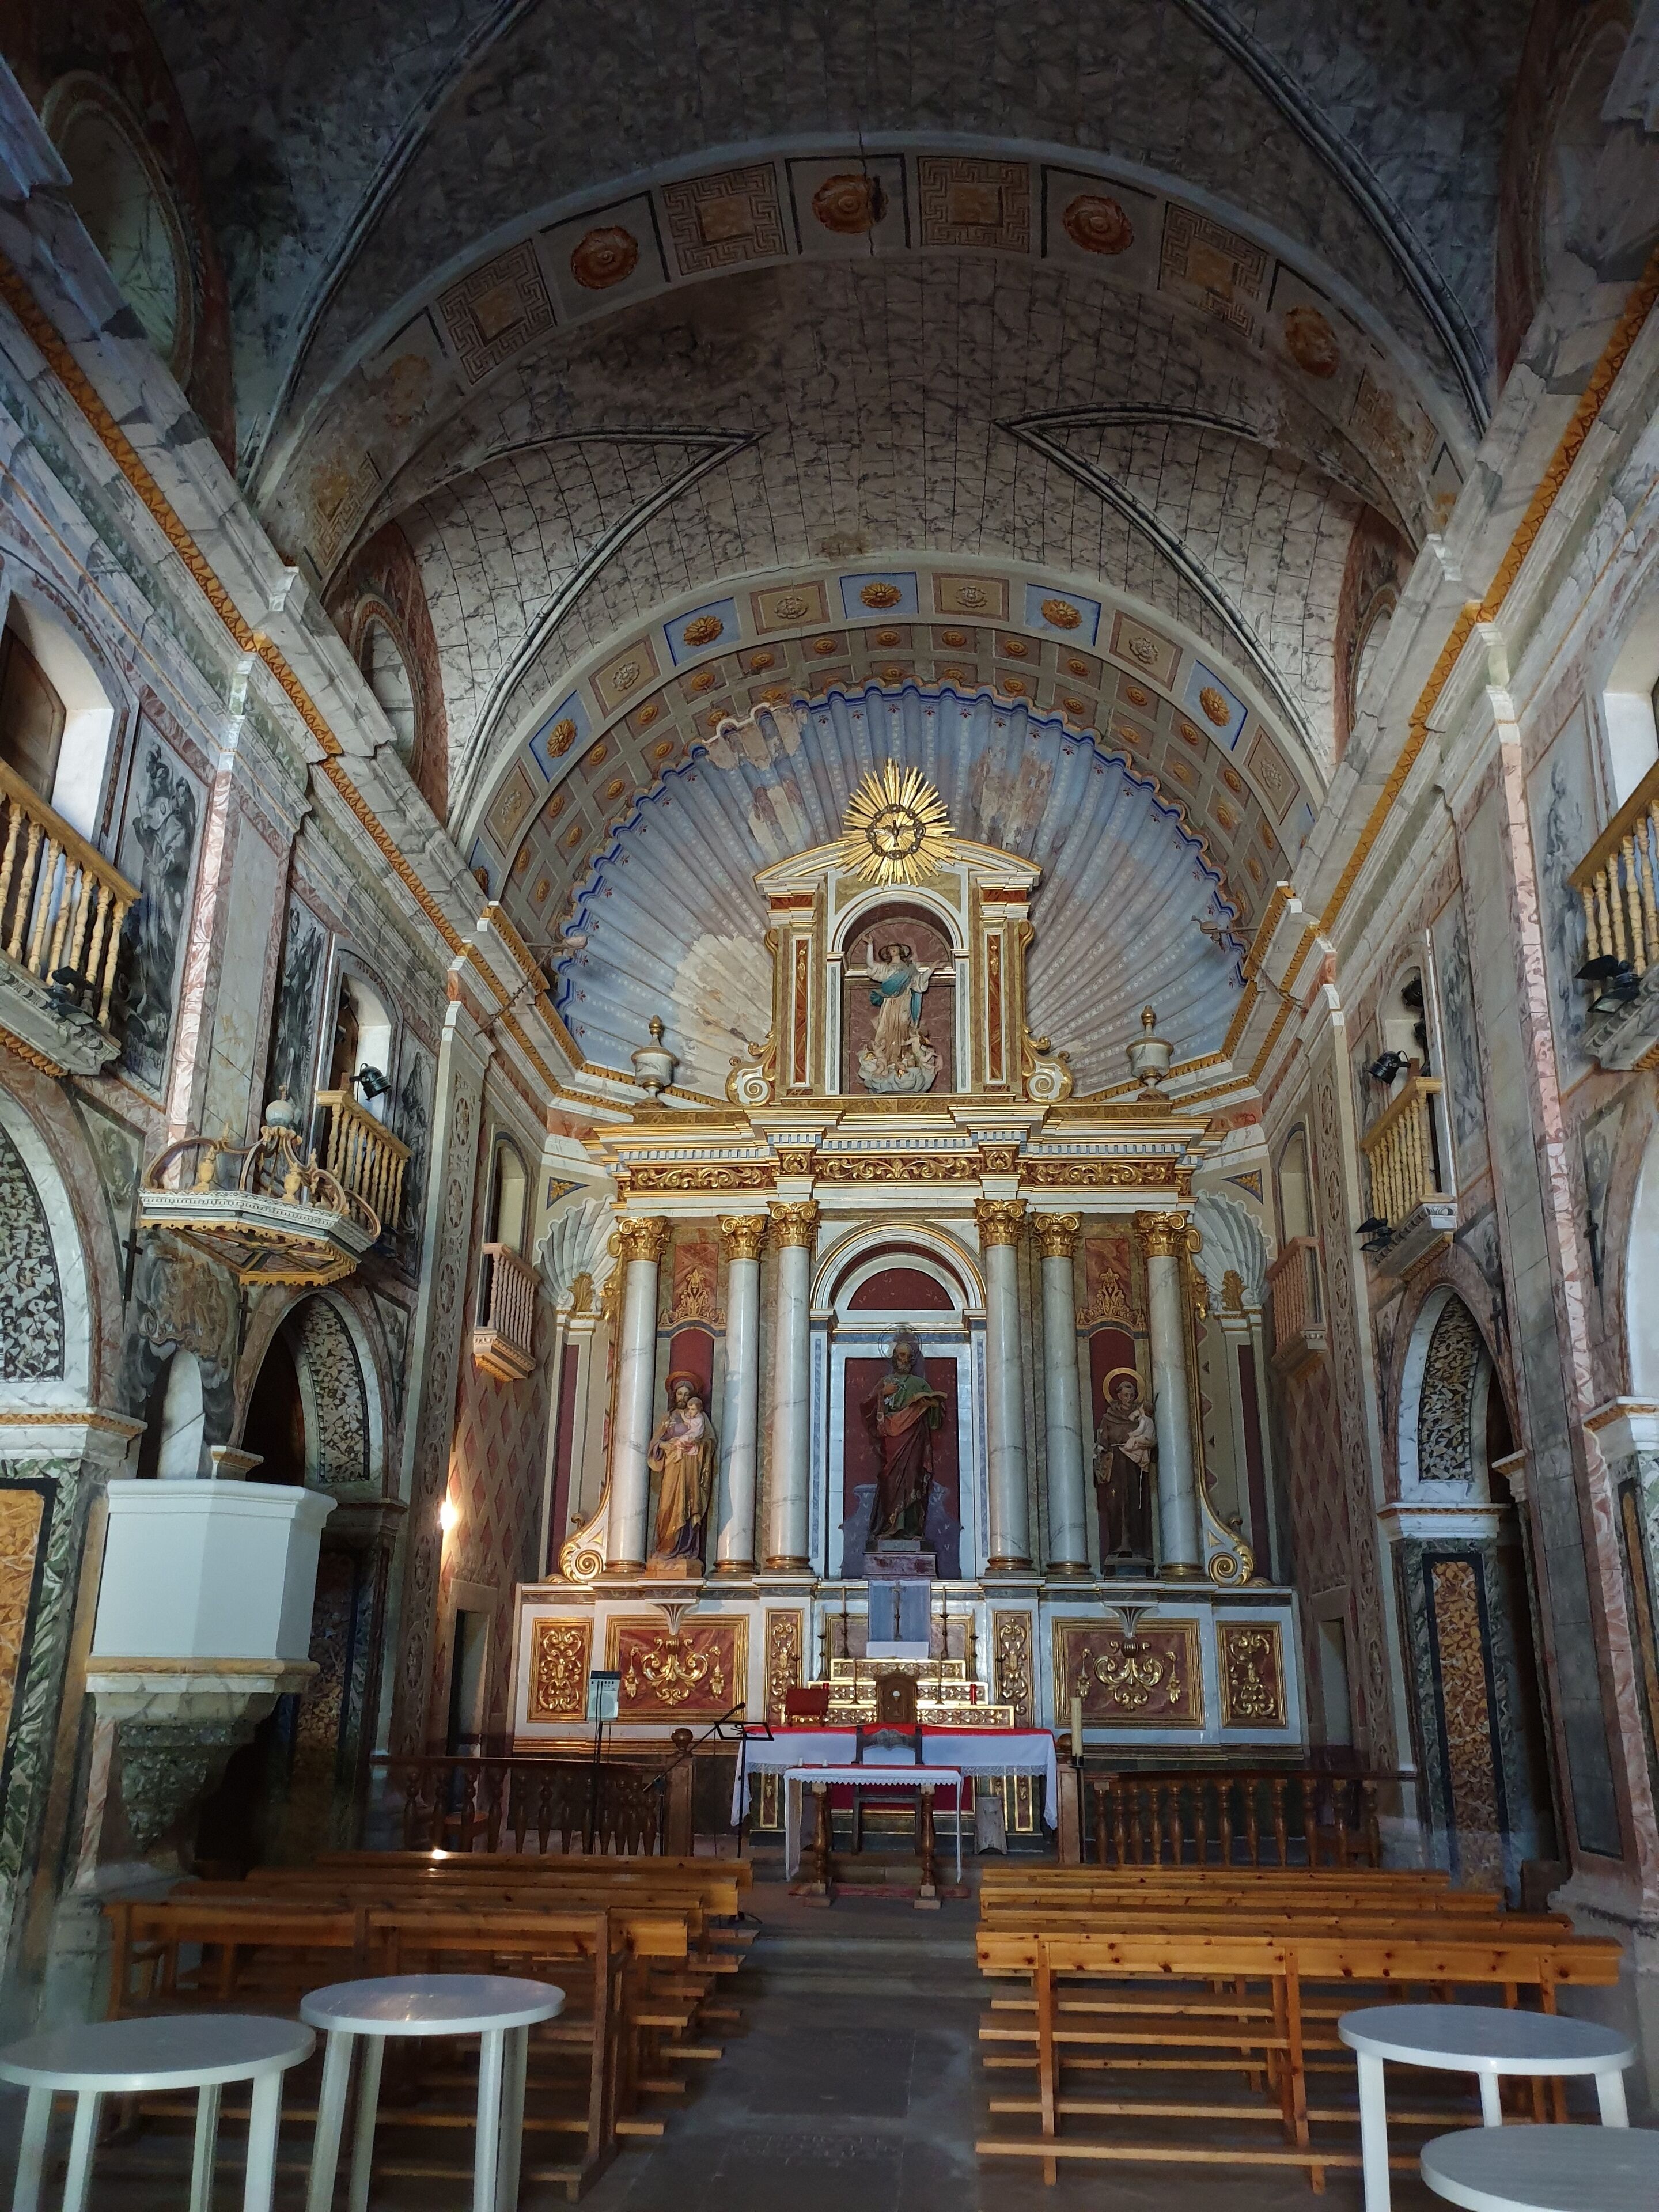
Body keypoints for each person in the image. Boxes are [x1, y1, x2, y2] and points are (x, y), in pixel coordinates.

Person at [866, 1332, 946, 1540]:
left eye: (907, 1356)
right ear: (894, 1358)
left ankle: (911, 1529)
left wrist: (932, 1407)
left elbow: (936, 1421)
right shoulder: (885, 1382)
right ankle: (890, 1525)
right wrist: (882, 1394)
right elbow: (867, 1408)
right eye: (900, 1355)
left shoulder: (920, 1385)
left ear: (912, 1359)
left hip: (913, 1441)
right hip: (891, 1442)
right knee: (890, 1480)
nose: (904, 1360)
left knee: (912, 1479)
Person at [647, 1372, 717, 1563]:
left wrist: (696, 1445)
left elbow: (710, 1441)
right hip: (672, 1466)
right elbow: (655, 1441)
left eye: (687, 1395)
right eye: (680, 1394)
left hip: (690, 1468)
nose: (683, 1398)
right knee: (667, 1506)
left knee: (688, 1504)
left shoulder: (700, 1417)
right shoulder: (669, 1417)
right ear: (674, 1396)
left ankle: (685, 1549)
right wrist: (664, 1445)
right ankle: (665, 1546)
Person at [1094, 1369, 1156, 1563]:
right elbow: (1102, 1441)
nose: (1129, 1398)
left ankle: (1136, 1546)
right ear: (1118, 1395)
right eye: (1126, 1395)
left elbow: (1150, 1438)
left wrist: (1144, 1446)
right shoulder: (1109, 1417)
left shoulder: (1141, 1418)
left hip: (1134, 1467)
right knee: (1115, 1505)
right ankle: (1117, 1546)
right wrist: (1101, 1453)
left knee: (1136, 1506)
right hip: (1115, 1467)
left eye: (1132, 1395)